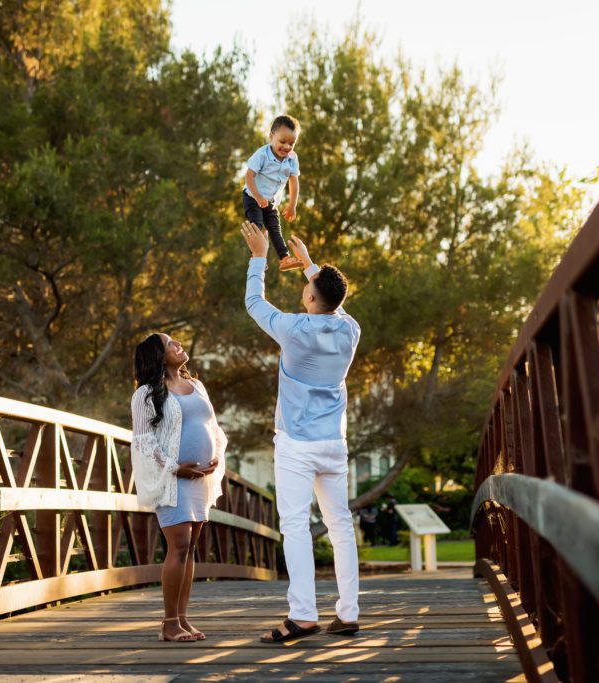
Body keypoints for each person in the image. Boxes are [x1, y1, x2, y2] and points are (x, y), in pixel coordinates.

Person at [239, 222, 362, 643]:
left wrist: (259, 256)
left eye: (307, 290)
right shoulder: (350, 330)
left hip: (295, 443)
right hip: (333, 444)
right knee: (340, 524)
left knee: (294, 525)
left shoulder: (293, 328)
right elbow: (335, 303)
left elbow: (254, 301)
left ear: (310, 297)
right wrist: (309, 266)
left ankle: (303, 616)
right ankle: (348, 614)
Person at [130, 333, 227, 643]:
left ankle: (182, 618)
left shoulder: (197, 386)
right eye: (169, 343)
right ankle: (169, 623)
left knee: (190, 546)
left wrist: (214, 459)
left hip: (199, 478)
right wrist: (175, 468)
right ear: (158, 356)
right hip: (171, 479)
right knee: (180, 545)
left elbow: (213, 428)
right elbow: (144, 442)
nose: (178, 344)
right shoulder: (146, 394)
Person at [243, 114, 303, 272]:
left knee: (275, 229)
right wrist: (257, 196)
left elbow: (294, 181)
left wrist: (292, 205)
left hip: (271, 202)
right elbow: (249, 176)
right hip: (252, 196)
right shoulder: (262, 154)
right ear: (271, 136)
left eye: (291, 143)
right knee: (257, 224)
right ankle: (256, 256)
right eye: (282, 142)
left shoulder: (292, 159)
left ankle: (284, 258)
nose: (287, 147)